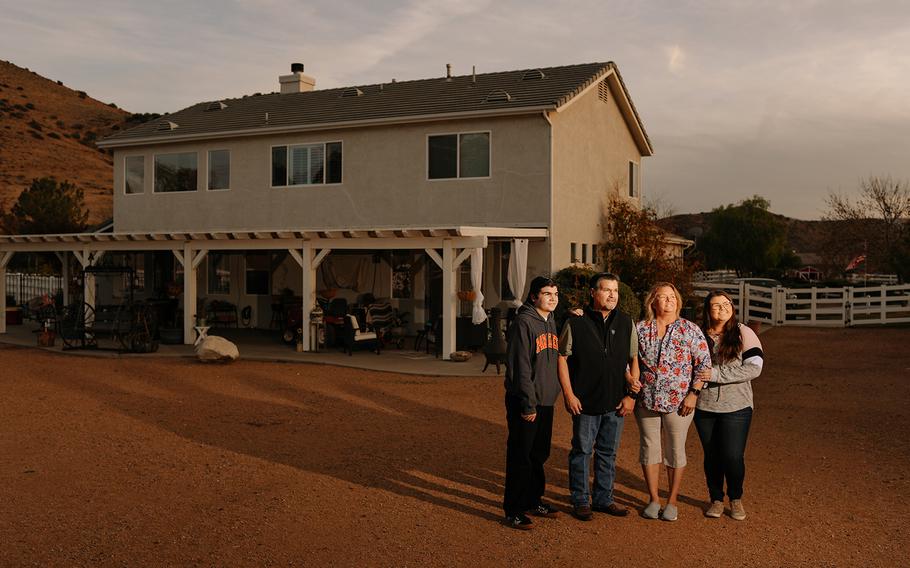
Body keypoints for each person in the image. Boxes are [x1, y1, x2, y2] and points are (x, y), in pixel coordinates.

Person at [558, 273, 640, 521]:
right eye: (606, 290)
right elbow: (562, 358)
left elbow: (634, 358)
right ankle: (581, 500)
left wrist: (631, 395)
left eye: (615, 290)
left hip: (615, 402)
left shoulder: (626, 322)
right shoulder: (576, 322)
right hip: (585, 401)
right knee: (582, 451)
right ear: (593, 292)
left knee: (608, 452)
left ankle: (604, 499)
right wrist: (569, 394)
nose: (612, 295)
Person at [634, 282, 711, 521]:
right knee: (649, 447)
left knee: (675, 450)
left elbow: (704, 364)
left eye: (672, 297)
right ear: (652, 301)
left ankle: (672, 501)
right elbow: (629, 360)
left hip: (680, 402)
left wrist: (694, 393)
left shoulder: (690, 329)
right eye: (662, 297)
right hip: (646, 400)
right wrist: (630, 379)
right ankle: (654, 499)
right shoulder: (640, 329)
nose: (668, 301)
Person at [694, 291, 764, 521]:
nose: (722, 308)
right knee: (712, 455)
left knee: (733, 456)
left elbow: (754, 367)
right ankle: (716, 498)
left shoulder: (744, 332)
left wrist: (715, 374)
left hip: (737, 406)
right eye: (716, 305)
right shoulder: (697, 334)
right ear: (708, 310)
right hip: (704, 407)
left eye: (726, 304)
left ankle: (735, 498)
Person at [502, 276, 562, 530]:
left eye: (555, 294)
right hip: (526, 401)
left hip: (546, 400)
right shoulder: (523, 323)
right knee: (521, 456)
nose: (552, 298)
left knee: (539, 455)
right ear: (534, 296)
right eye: (547, 294)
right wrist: (528, 404)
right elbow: (520, 367)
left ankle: (533, 499)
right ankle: (513, 509)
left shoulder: (551, 322)